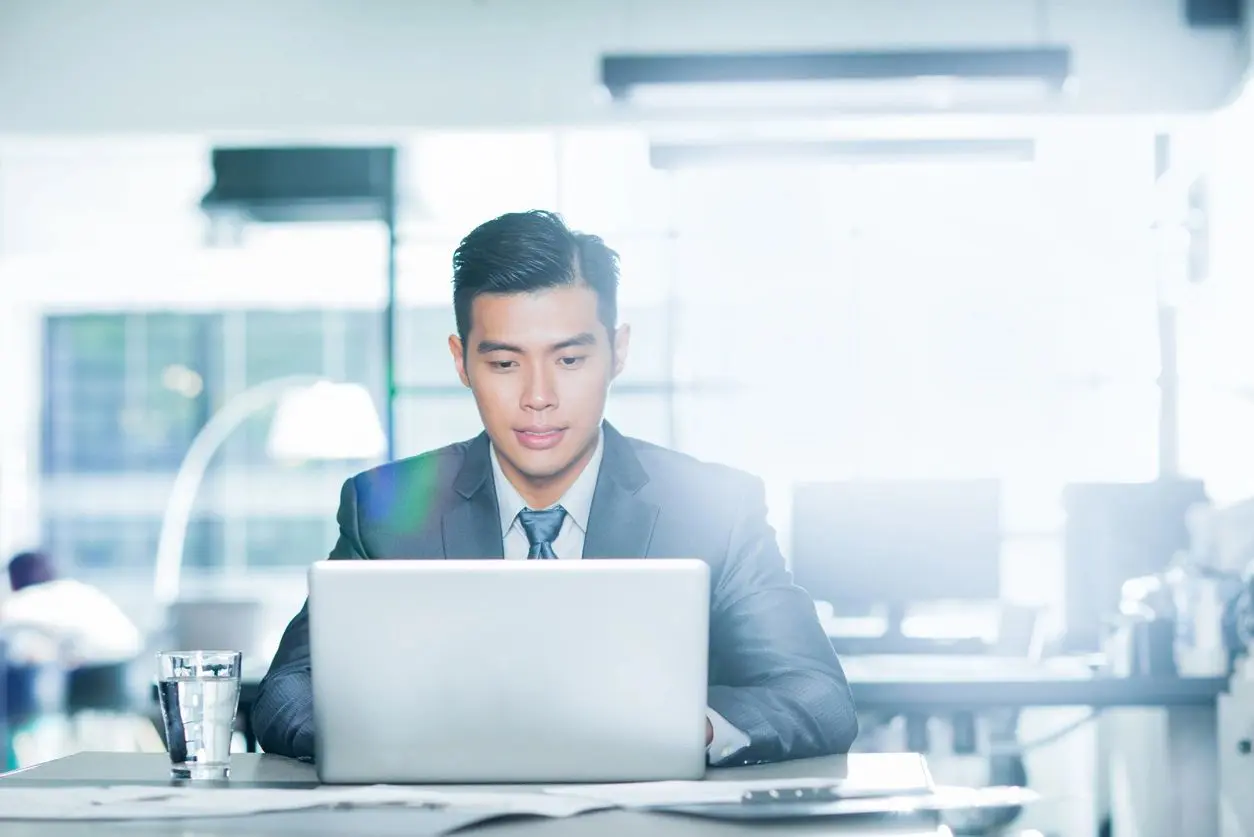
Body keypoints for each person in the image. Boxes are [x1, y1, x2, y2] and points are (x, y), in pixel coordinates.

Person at [254, 210, 858, 765]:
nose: (538, 397)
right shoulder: (385, 508)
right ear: (461, 362)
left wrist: (683, 726)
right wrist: (390, 730)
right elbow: (285, 693)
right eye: (505, 363)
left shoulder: (712, 508)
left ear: (617, 352)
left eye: (569, 361)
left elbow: (817, 695)